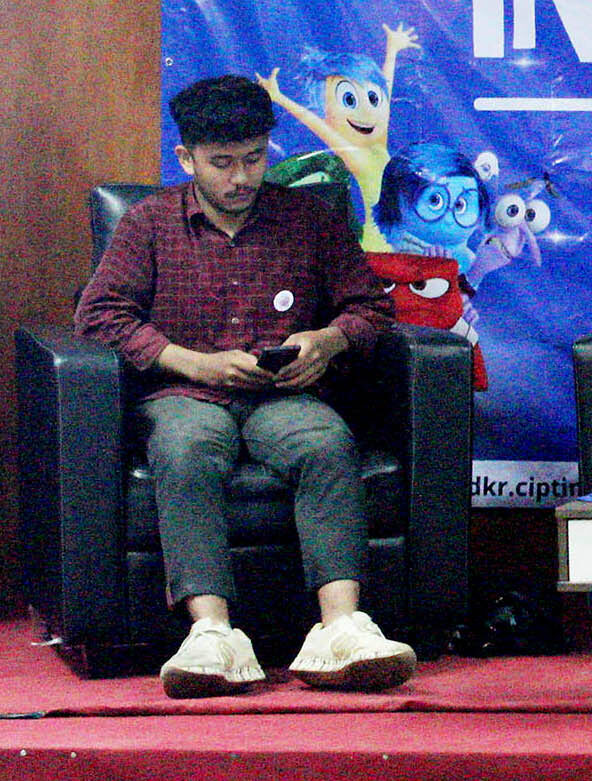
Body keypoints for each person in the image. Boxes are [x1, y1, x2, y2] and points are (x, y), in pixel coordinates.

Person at [74, 75, 413, 699]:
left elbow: (370, 307)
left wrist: (329, 340)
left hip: (283, 394)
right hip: (185, 394)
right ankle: (212, 633)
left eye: (254, 159)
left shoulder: (308, 220)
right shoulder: (149, 224)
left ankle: (342, 627)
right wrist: (191, 363)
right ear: (187, 159)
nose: (241, 178)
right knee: (185, 451)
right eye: (222, 163)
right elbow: (98, 316)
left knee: (325, 444)